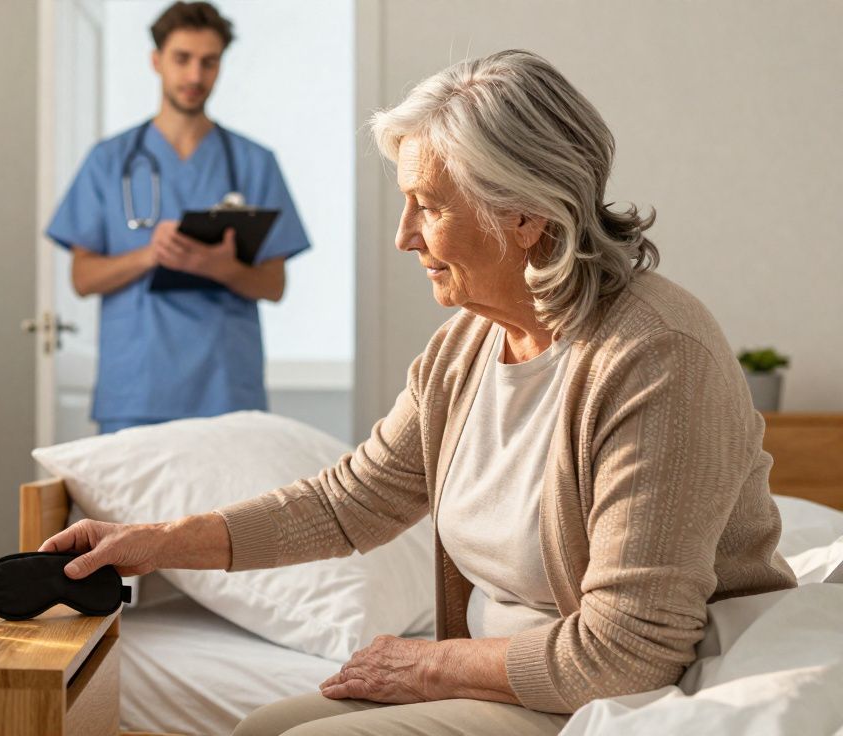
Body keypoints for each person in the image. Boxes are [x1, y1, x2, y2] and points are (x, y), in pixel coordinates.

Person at [40, 49, 797, 734]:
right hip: (512, 675)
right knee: (261, 730)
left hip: (623, 696)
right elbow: (349, 503)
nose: (405, 236)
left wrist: (430, 663)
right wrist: (159, 542)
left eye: (428, 205)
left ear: (525, 212)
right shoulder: (466, 346)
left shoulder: (656, 357)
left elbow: (628, 653)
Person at [45, 1, 311, 435]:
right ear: (156, 61)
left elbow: (274, 284)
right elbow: (82, 278)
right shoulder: (110, 161)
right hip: (136, 390)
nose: (194, 76)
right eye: (182, 59)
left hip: (225, 391)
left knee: (230, 506)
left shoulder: (253, 163)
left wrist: (221, 268)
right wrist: (150, 255)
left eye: (209, 63)